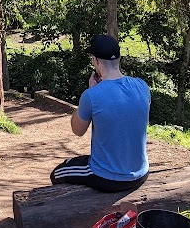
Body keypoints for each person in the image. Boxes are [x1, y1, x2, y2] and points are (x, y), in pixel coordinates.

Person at [50, 34, 150, 192]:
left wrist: (91, 90)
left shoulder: (92, 95)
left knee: (57, 174)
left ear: (95, 61)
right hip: (141, 174)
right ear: (119, 58)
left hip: (107, 177)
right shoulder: (142, 86)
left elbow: (77, 130)